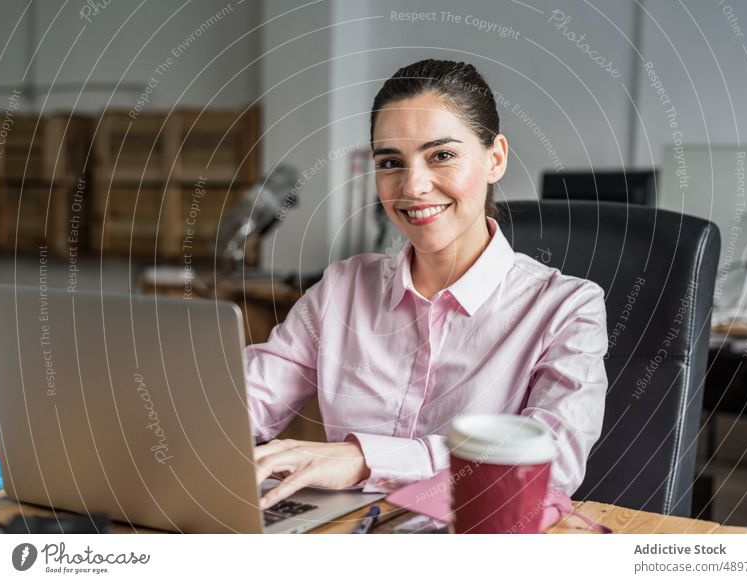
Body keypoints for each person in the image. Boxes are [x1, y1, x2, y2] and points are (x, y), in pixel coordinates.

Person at [248, 59, 608, 510]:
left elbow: (553, 462)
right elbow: (246, 401)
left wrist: (364, 459)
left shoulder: (567, 308)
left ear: (494, 159)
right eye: (391, 162)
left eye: (441, 155)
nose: (413, 186)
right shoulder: (341, 289)